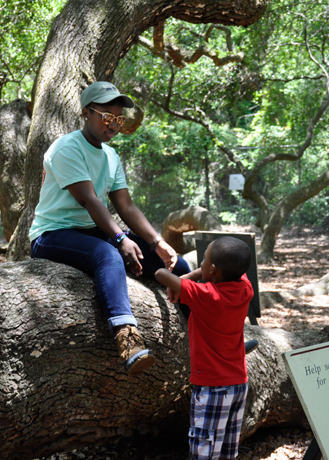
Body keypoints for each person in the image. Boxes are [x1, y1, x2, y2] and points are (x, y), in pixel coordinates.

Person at [29, 81, 190, 376]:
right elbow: (89, 199)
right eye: (107, 116)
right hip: (52, 234)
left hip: (93, 230)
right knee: (108, 255)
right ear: (85, 113)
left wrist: (156, 242)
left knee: (179, 265)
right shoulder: (66, 148)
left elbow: (126, 206)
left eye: (119, 119)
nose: (113, 125)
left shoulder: (111, 156)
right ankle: (127, 337)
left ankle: (213, 333)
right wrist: (119, 238)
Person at [155, 236, 254, 460]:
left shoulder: (206, 296)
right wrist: (196, 276)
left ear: (213, 269)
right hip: (238, 383)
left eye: (203, 261)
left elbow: (160, 275)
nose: (199, 264)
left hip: (212, 387)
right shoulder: (245, 287)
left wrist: (186, 279)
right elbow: (231, 267)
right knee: (228, 451)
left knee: (204, 450)